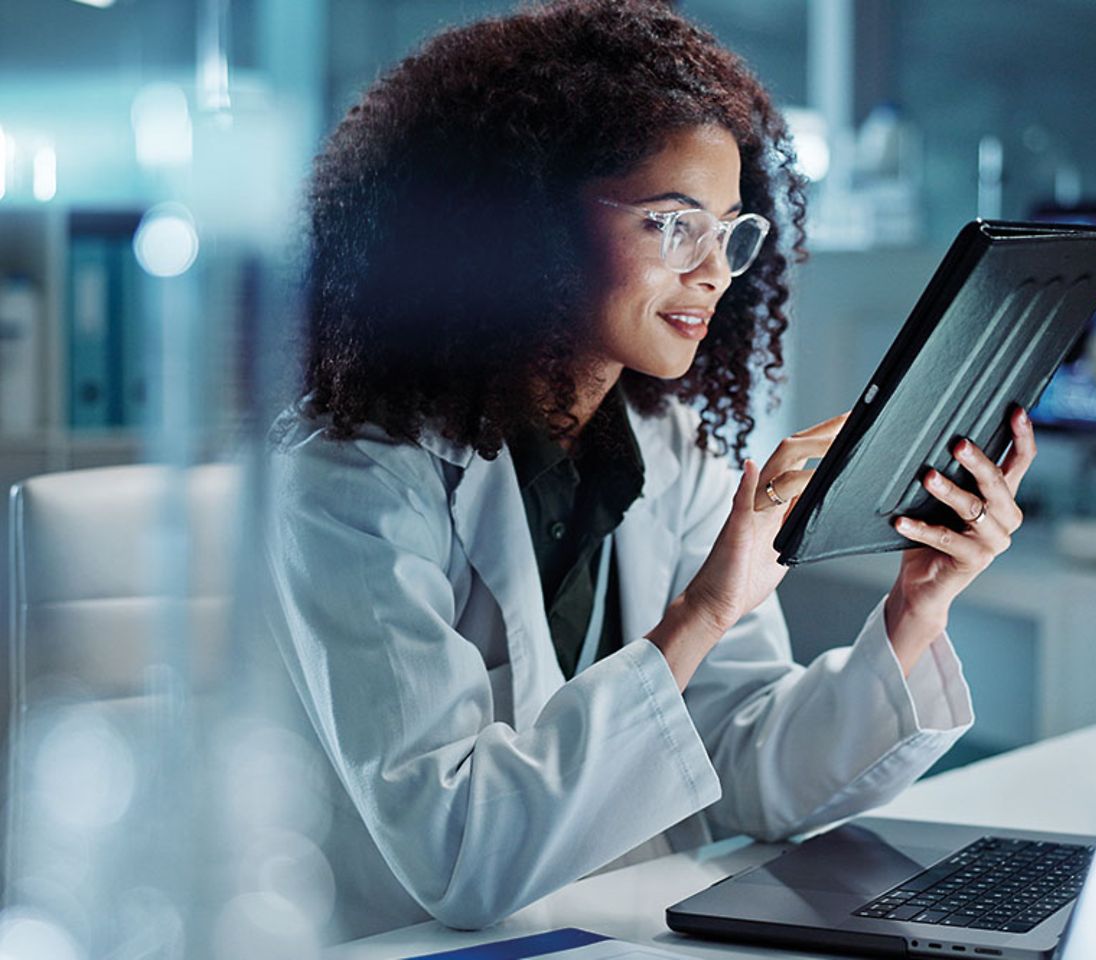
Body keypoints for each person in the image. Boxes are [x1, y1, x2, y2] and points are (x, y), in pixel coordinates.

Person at [261, 0, 1037, 942]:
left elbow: (746, 765)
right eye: (672, 226)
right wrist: (700, 617)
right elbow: (458, 852)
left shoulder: (670, 451)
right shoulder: (355, 484)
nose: (715, 271)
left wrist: (915, 611)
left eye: (731, 232)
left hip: (605, 927)